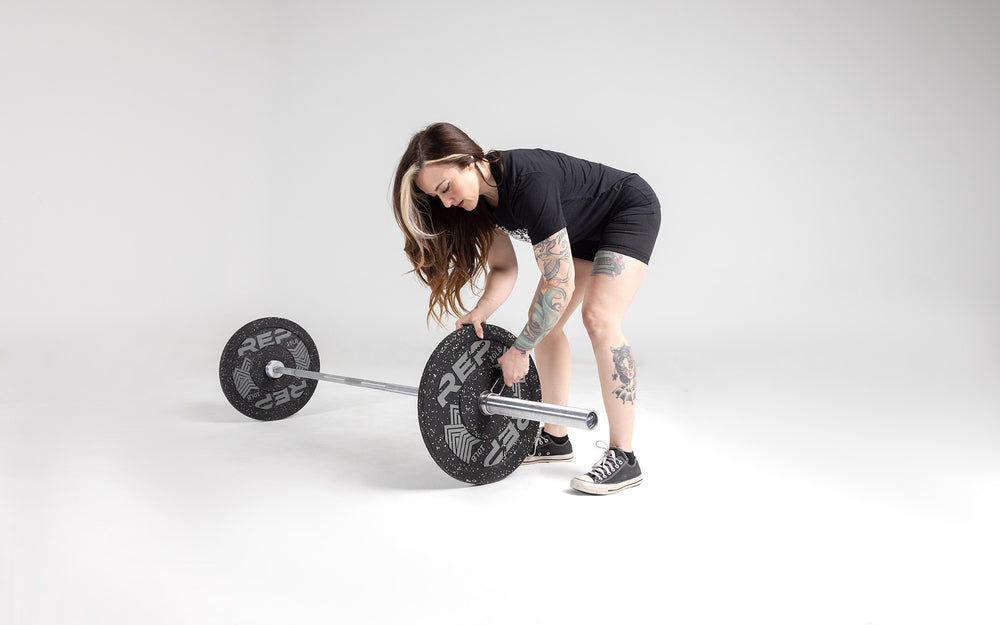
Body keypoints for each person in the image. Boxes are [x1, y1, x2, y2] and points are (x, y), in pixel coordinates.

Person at [391, 122, 660, 495]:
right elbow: (504, 268)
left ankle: (625, 456)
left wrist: (520, 350)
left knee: (598, 318)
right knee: (547, 325)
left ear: (469, 161)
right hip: (581, 229)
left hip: (627, 208)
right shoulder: (479, 205)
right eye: (438, 198)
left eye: (446, 189)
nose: (447, 203)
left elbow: (559, 284)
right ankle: (555, 437)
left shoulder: (527, 182)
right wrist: (481, 311)